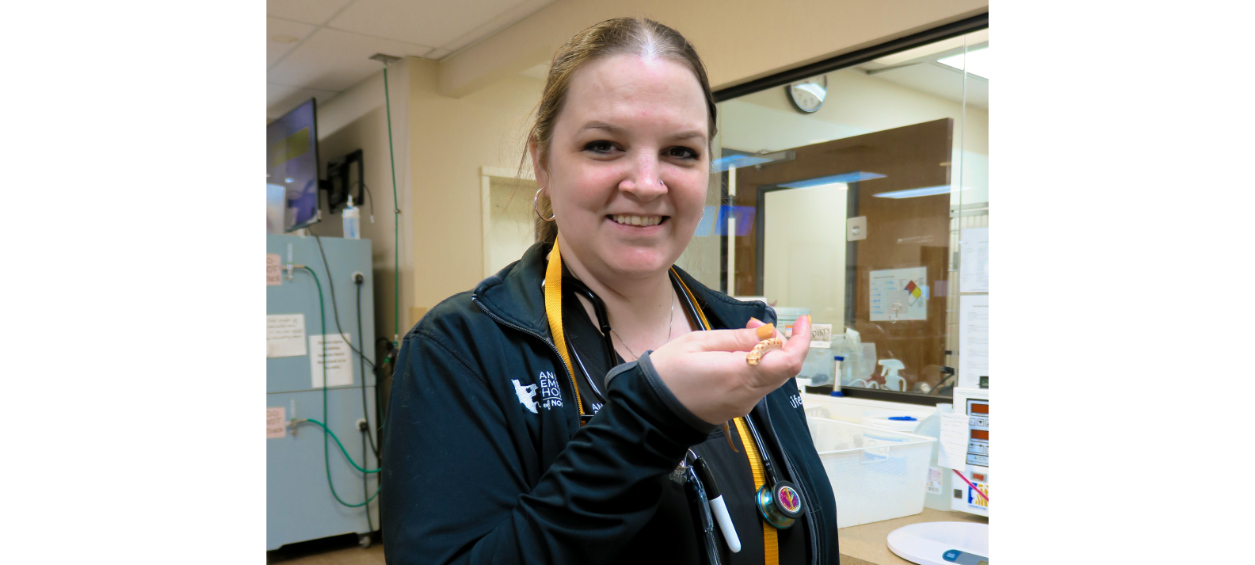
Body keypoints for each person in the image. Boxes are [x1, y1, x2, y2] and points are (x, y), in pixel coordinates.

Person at [382, 17, 838, 564]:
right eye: (603, 145)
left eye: (681, 151)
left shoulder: (745, 332)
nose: (647, 183)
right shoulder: (461, 350)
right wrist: (651, 419)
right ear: (543, 164)